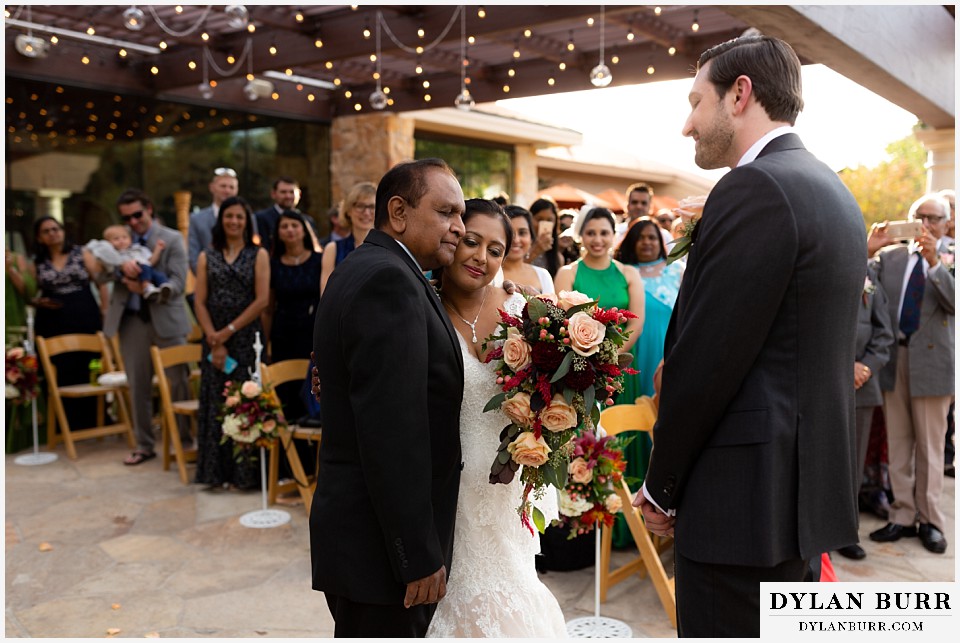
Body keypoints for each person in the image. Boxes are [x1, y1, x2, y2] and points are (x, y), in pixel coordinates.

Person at [635, 35, 867, 637]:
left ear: (740, 95)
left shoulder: (755, 187)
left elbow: (709, 360)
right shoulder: (833, 190)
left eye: (696, 101)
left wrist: (662, 486)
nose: (688, 125)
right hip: (794, 499)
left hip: (740, 508)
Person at [310, 158, 466, 637]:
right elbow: (392, 432)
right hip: (379, 551)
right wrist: (416, 554)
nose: (458, 228)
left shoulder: (370, 266)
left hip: (363, 540)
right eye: (446, 213)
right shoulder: (389, 280)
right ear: (398, 212)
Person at [426, 199, 566, 638]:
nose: (480, 258)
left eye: (494, 250)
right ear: (451, 238)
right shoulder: (420, 308)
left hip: (508, 485)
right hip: (450, 490)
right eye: (471, 241)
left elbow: (555, 388)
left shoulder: (520, 312)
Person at [867, 193, 954, 554]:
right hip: (894, 360)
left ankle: (930, 520)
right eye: (920, 216)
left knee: (931, 448)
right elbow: (854, 281)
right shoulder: (890, 257)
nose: (926, 224)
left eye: (934, 218)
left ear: (948, 223)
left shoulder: (953, 257)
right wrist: (867, 249)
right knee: (899, 443)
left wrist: (936, 264)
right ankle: (902, 515)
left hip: (934, 363)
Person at [608, 217, 683, 548]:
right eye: (642, 237)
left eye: (654, 237)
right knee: (634, 429)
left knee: (664, 428)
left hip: (670, 358)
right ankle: (631, 521)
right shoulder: (625, 274)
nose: (649, 242)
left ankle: (665, 511)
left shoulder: (678, 271)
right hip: (638, 356)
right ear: (632, 242)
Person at [104, 189, 192, 465]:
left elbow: (179, 283)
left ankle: (185, 442)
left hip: (166, 319)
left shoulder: (172, 238)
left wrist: (147, 289)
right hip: (131, 323)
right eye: (126, 218)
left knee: (178, 382)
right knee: (138, 385)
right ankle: (144, 444)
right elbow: (97, 272)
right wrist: (121, 270)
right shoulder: (116, 241)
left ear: (149, 209)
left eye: (137, 215)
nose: (132, 222)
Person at [193, 196, 270, 488]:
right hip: (214, 341)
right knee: (216, 402)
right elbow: (199, 301)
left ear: (246, 221)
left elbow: (262, 300)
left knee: (245, 401)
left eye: (239, 217)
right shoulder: (206, 256)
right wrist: (214, 338)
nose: (234, 222)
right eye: (229, 217)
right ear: (221, 221)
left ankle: (244, 476)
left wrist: (228, 330)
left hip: (247, 338)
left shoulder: (258, 254)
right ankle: (215, 474)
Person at [836, 262, 894, 561]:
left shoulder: (871, 281)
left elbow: (885, 335)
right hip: (825, 385)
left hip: (863, 387)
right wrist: (843, 367)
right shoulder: (825, 271)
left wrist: (864, 367)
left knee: (853, 464)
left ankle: (845, 531)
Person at [29, 216, 108, 433]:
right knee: (60, 368)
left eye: (56, 228)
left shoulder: (81, 253)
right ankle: (64, 424)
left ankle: (94, 419)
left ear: (63, 231)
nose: (52, 233)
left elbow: (100, 281)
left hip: (84, 314)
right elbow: (30, 291)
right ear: (39, 237)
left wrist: (105, 308)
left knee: (90, 365)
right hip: (52, 319)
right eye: (46, 230)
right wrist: (38, 301)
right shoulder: (37, 261)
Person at [553, 207, 644, 358]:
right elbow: (562, 321)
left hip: (619, 358)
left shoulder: (629, 273)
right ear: (580, 235)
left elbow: (636, 324)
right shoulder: (567, 273)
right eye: (590, 233)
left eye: (604, 233)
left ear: (613, 235)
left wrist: (611, 357)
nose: (597, 240)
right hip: (580, 359)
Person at [263, 209, 322, 424]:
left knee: (310, 393)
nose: (290, 230)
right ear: (277, 233)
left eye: (294, 225)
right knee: (286, 395)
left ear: (304, 230)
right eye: (284, 226)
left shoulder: (320, 260)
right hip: (283, 336)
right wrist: (265, 345)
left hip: (311, 333)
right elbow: (268, 308)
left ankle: (310, 455)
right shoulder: (273, 264)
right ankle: (288, 457)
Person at [187, 167, 258, 275]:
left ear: (237, 190)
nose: (227, 190)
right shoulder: (196, 219)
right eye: (223, 186)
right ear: (212, 187)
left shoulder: (249, 218)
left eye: (231, 187)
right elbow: (193, 256)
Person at [86, 224, 173, 303]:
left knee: (159, 275)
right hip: (134, 272)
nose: (121, 241)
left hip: (147, 268)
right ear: (109, 243)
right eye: (116, 239)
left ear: (130, 239)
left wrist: (158, 249)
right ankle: (147, 287)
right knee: (145, 270)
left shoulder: (138, 249)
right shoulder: (115, 256)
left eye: (124, 237)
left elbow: (151, 261)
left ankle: (164, 287)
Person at [319, 181, 376, 296]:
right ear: (348, 211)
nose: (366, 212)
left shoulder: (390, 248)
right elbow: (326, 296)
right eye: (360, 206)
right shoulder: (333, 249)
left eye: (372, 206)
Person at [254, 176, 319, 253]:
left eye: (292, 192)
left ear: (299, 194)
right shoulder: (261, 219)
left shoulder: (308, 220)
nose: (288, 196)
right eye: (283, 192)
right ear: (273, 194)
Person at [501, 205, 555, 294]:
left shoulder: (543, 275)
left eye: (522, 233)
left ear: (531, 238)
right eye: (510, 233)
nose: (516, 240)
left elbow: (551, 307)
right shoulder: (489, 275)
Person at [526, 197, 563, 278]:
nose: (544, 224)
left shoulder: (558, 258)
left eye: (549, 220)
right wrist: (535, 251)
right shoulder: (520, 246)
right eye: (539, 219)